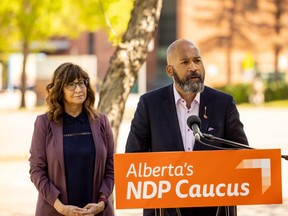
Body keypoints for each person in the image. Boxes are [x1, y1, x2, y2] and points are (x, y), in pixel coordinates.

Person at [125, 39, 249, 216]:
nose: (194, 67)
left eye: (197, 60)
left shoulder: (223, 103)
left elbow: (241, 153)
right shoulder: (149, 104)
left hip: (214, 210)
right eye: (185, 62)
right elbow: (133, 157)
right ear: (170, 70)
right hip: (165, 210)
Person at [29, 63, 115, 216]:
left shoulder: (101, 121)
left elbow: (112, 168)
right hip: (55, 210)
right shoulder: (44, 123)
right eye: (71, 85)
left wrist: (102, 202)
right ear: (59, 89)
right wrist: (60, 206)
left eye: (81, 83)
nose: (78, 89)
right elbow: (37, 170)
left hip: (96, 211)